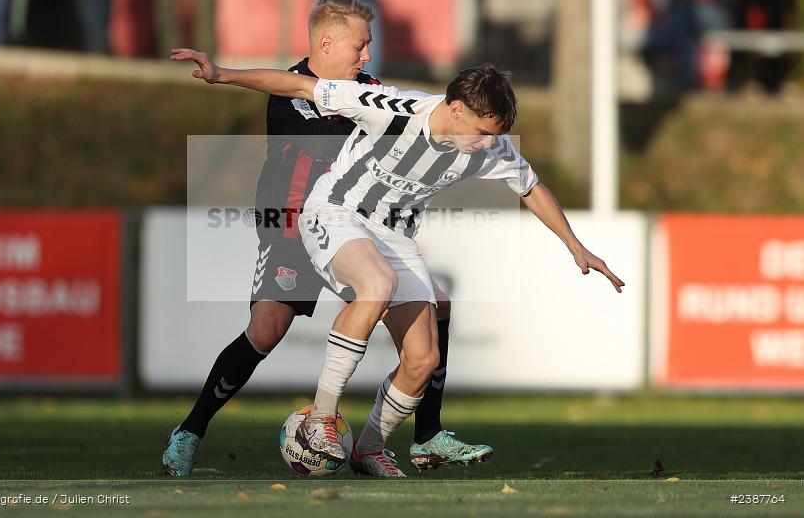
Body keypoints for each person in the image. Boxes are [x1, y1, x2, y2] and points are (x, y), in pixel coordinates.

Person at [169, 48, 625, 477]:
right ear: (456, 108)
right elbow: (300, 87)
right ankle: (320, 419)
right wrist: (222, 73)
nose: (491, 145)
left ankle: (369, 448)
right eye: (485, 133)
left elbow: (531, 187)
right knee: (375, 284)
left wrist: (576, 246)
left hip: (395, 237)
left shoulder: (490, 147)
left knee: (424, 358)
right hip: (336, 213)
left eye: (497, 135)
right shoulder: (391, 108)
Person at [162, 0, 492, 477]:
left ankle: (425, 436)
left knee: (437, 305)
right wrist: (223, 73)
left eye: (368, 47)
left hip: (359, 227)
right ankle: (189, 431)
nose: (366, 57)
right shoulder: (290, 96)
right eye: (360, 47)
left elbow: (407, 126)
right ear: (326, 43)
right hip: (295, 228)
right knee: (266, 329)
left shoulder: (368, 88)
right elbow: (360, 133)